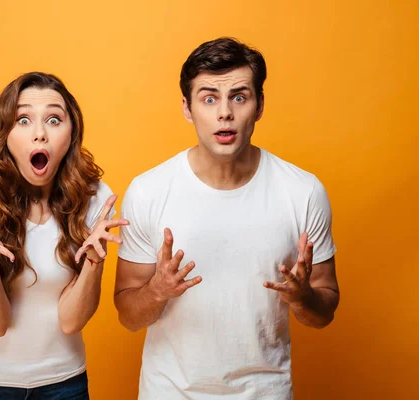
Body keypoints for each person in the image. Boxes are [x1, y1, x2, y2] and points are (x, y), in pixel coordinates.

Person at [114, 37, 340, 399]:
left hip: (266, 391)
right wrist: (157, 291)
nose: (224, 113)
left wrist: (303, 297)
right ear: (187, 108)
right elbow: (127, 314)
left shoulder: (303, 191)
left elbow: (324, 310)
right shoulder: (148, 191)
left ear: (260, 104)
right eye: (208, 98)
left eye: (239, 96)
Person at [0, 72, 127, 399]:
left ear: (71, 133)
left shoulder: (95, 200)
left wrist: (94, 261)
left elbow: (71, 321)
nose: (40, 134)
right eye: (23, 120)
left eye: (54, 119)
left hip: (65, 384)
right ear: (4, 133)